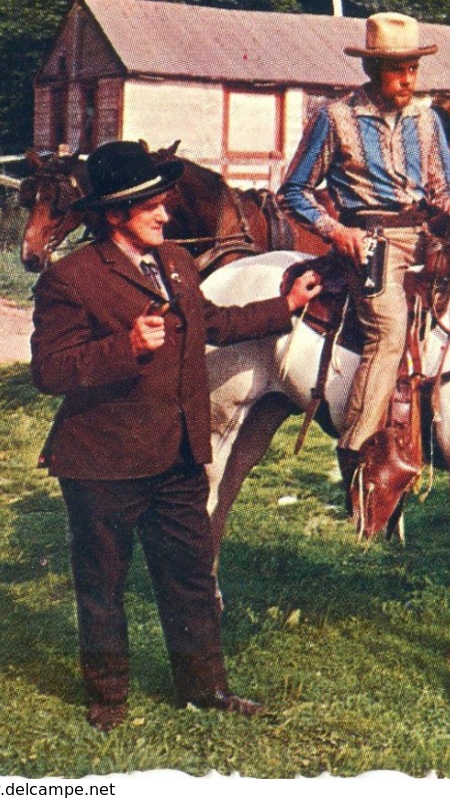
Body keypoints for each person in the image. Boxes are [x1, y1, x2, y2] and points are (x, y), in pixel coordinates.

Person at [31, 140, 322, 732]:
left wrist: (285, 306)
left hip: (179, 453)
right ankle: (109, 698)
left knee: (190, 575)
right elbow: (50, 371)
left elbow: (214, 324)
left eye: (165, 205)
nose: (167, 216)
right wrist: (126, 348)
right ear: (115, 214)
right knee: (103, 584)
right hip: (104, 461)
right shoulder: (71, 279)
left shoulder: (177, 265)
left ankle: (205, 688)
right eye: (152, 208)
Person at [278, 12, 450, 505]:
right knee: (387, 332)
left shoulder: (426, 119)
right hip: (370, 243)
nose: (408, 79)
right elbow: (294, 191)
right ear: (373, 68)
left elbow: (443, 187)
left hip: (426, 236)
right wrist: (336, 231)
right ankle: (357, 454)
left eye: (413, 69)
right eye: (398, 69)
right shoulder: (334, 118)